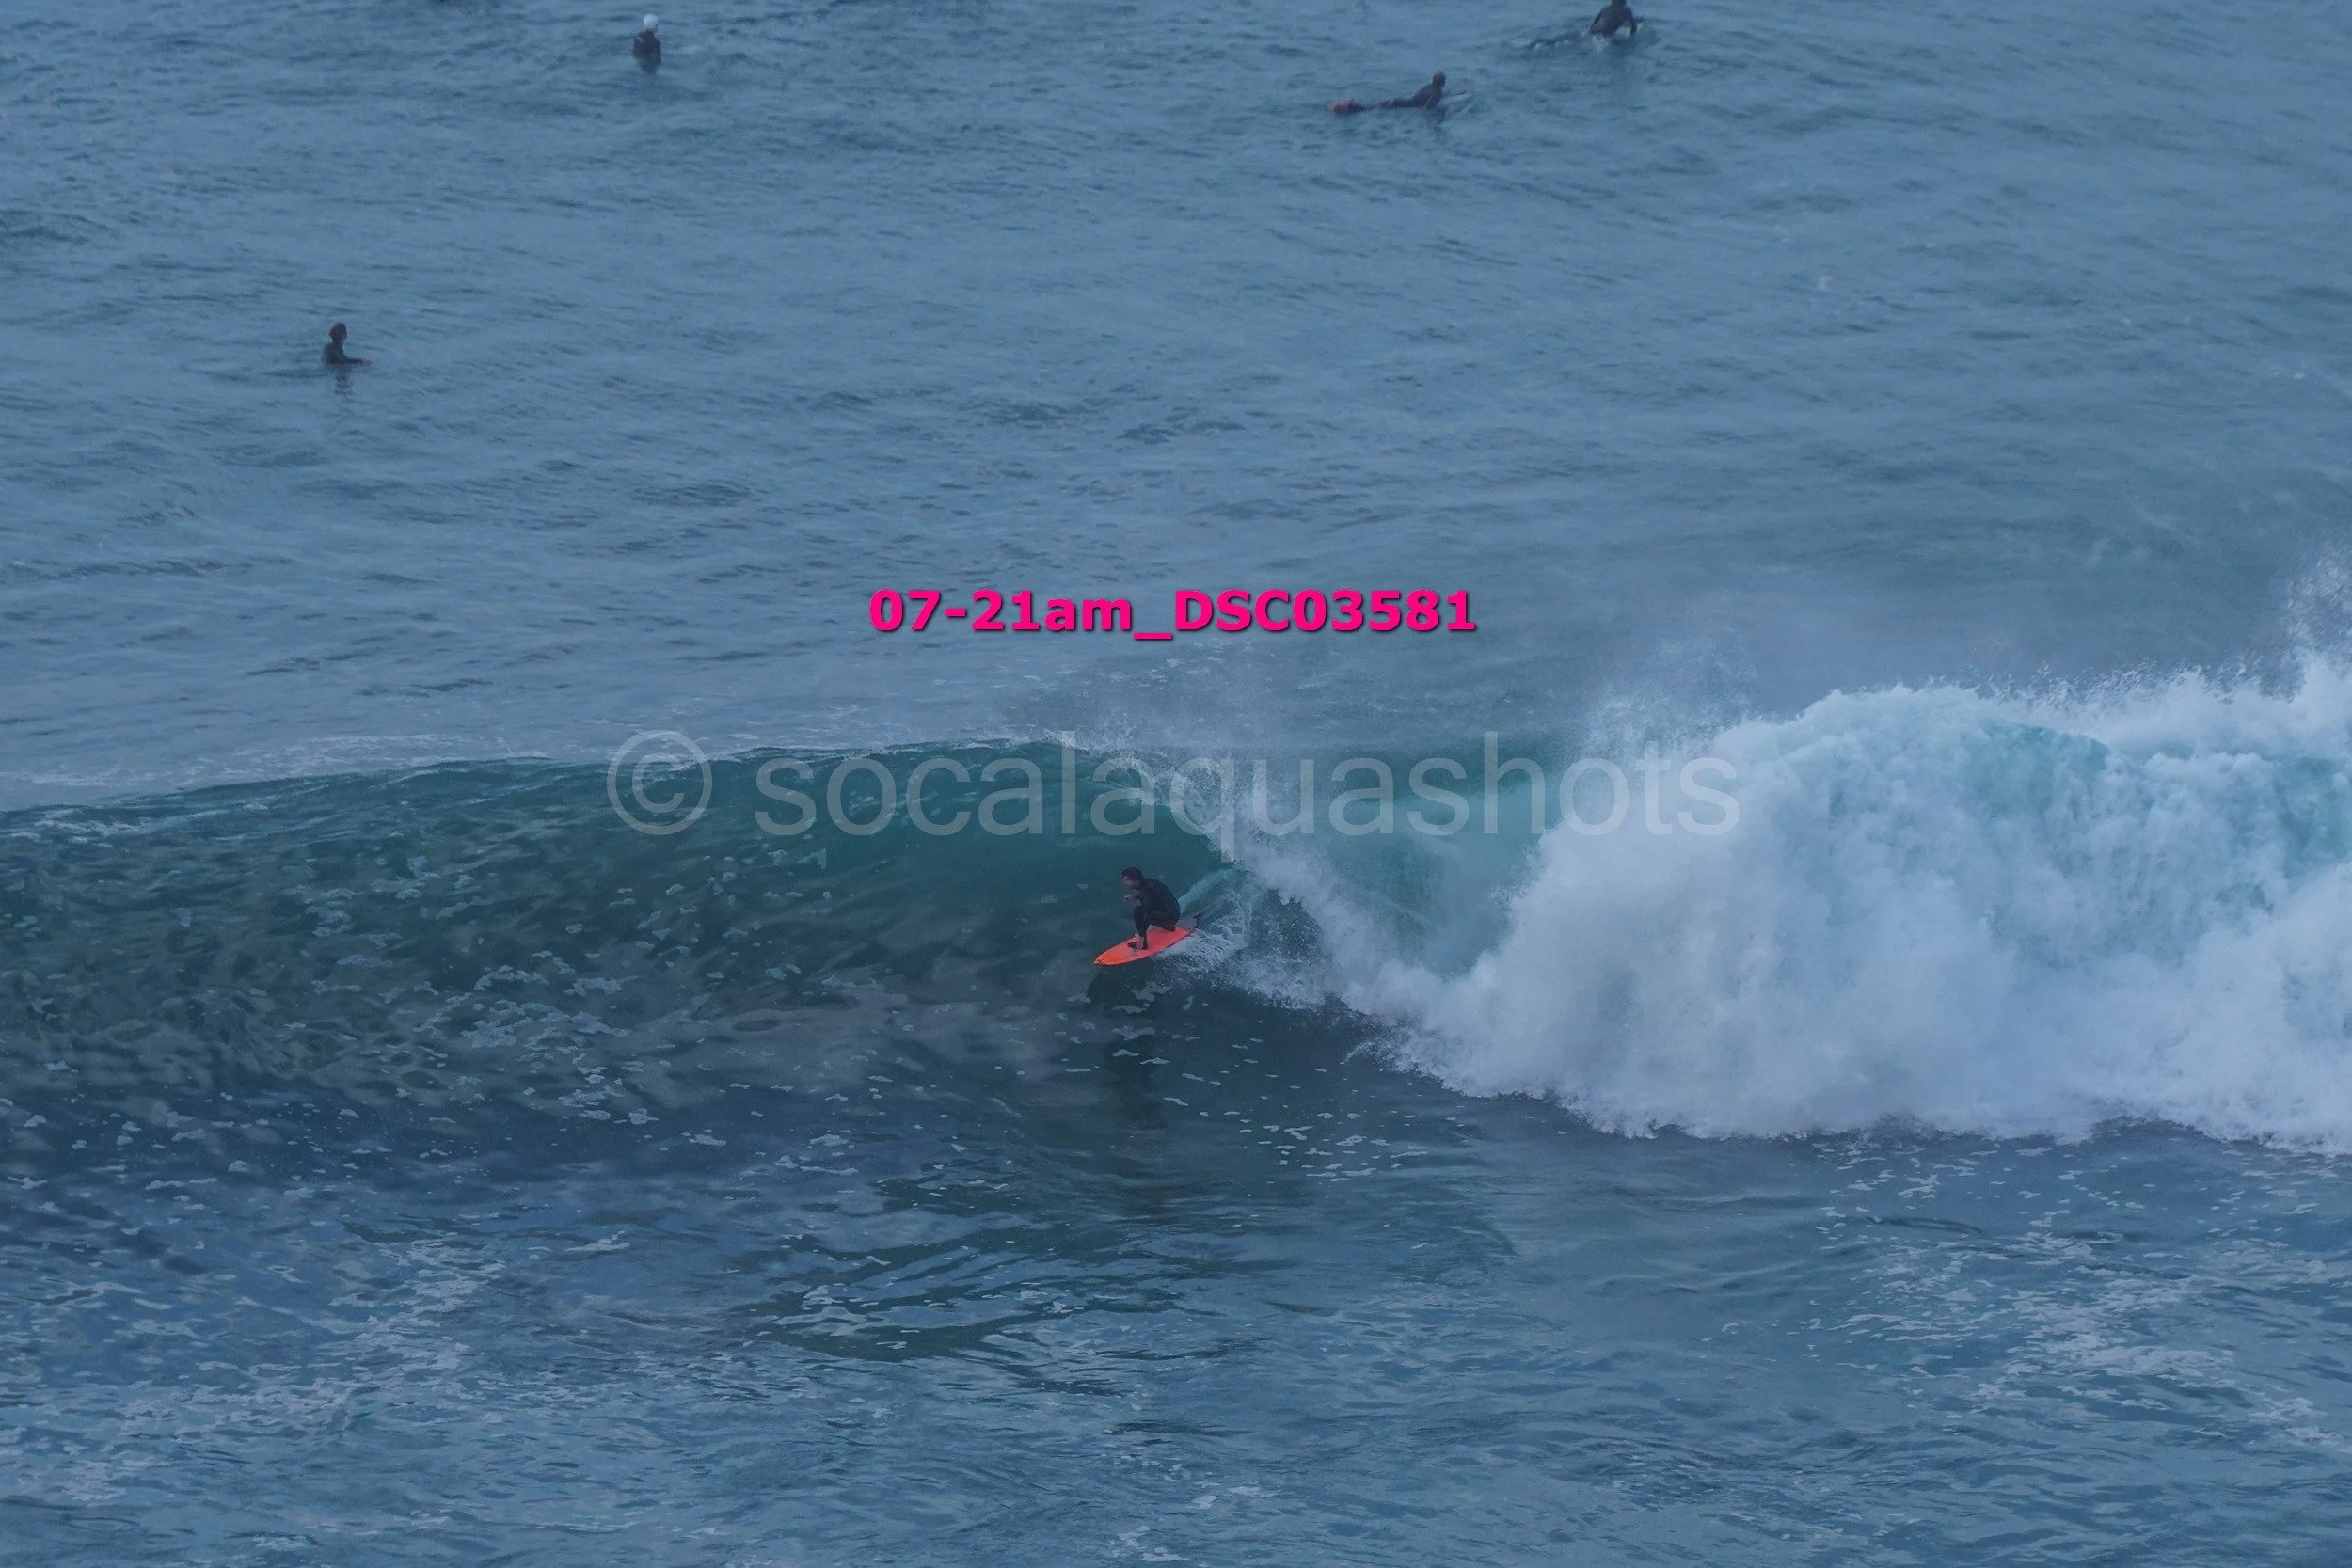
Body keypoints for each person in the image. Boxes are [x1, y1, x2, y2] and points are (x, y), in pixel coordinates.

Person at [1120, 867, 1182, 950]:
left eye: (1127, 880)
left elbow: (1148, 915)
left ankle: (1143, 944)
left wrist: (1141, 936)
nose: (1125, 883)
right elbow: (1155, 896)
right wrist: (1135, 897)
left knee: (1138, 912)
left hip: (1170, 918)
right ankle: (1169, 926)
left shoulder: (1146, 890)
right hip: (1174, 912)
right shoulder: (1149, 882)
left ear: (1135, 879)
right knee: (1150, 910)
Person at [1330, 71, 1445, 116]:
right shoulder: (1436, 93)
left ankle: (1350, 106)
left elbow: (1417, 97)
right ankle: (1350, 107)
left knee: (1373, 106)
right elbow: (1428, 108)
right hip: (1403, 105)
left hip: (1400, 101)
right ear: (1443, 83)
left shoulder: (1428, 86)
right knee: (1372, 109)